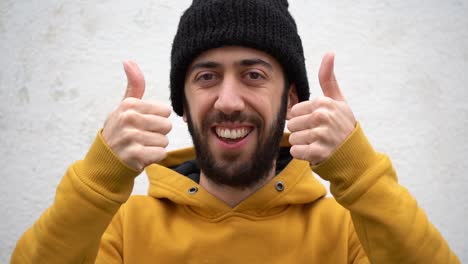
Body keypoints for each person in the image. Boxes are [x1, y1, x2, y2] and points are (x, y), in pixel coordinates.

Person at [11, 0, 460, 263]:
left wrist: (360, 173)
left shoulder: (347, 233)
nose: (228, 101)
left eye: (253, 75)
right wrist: (98, 177)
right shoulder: (123, 229)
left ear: (291, 100)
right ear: (182, 105)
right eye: (207, 77)